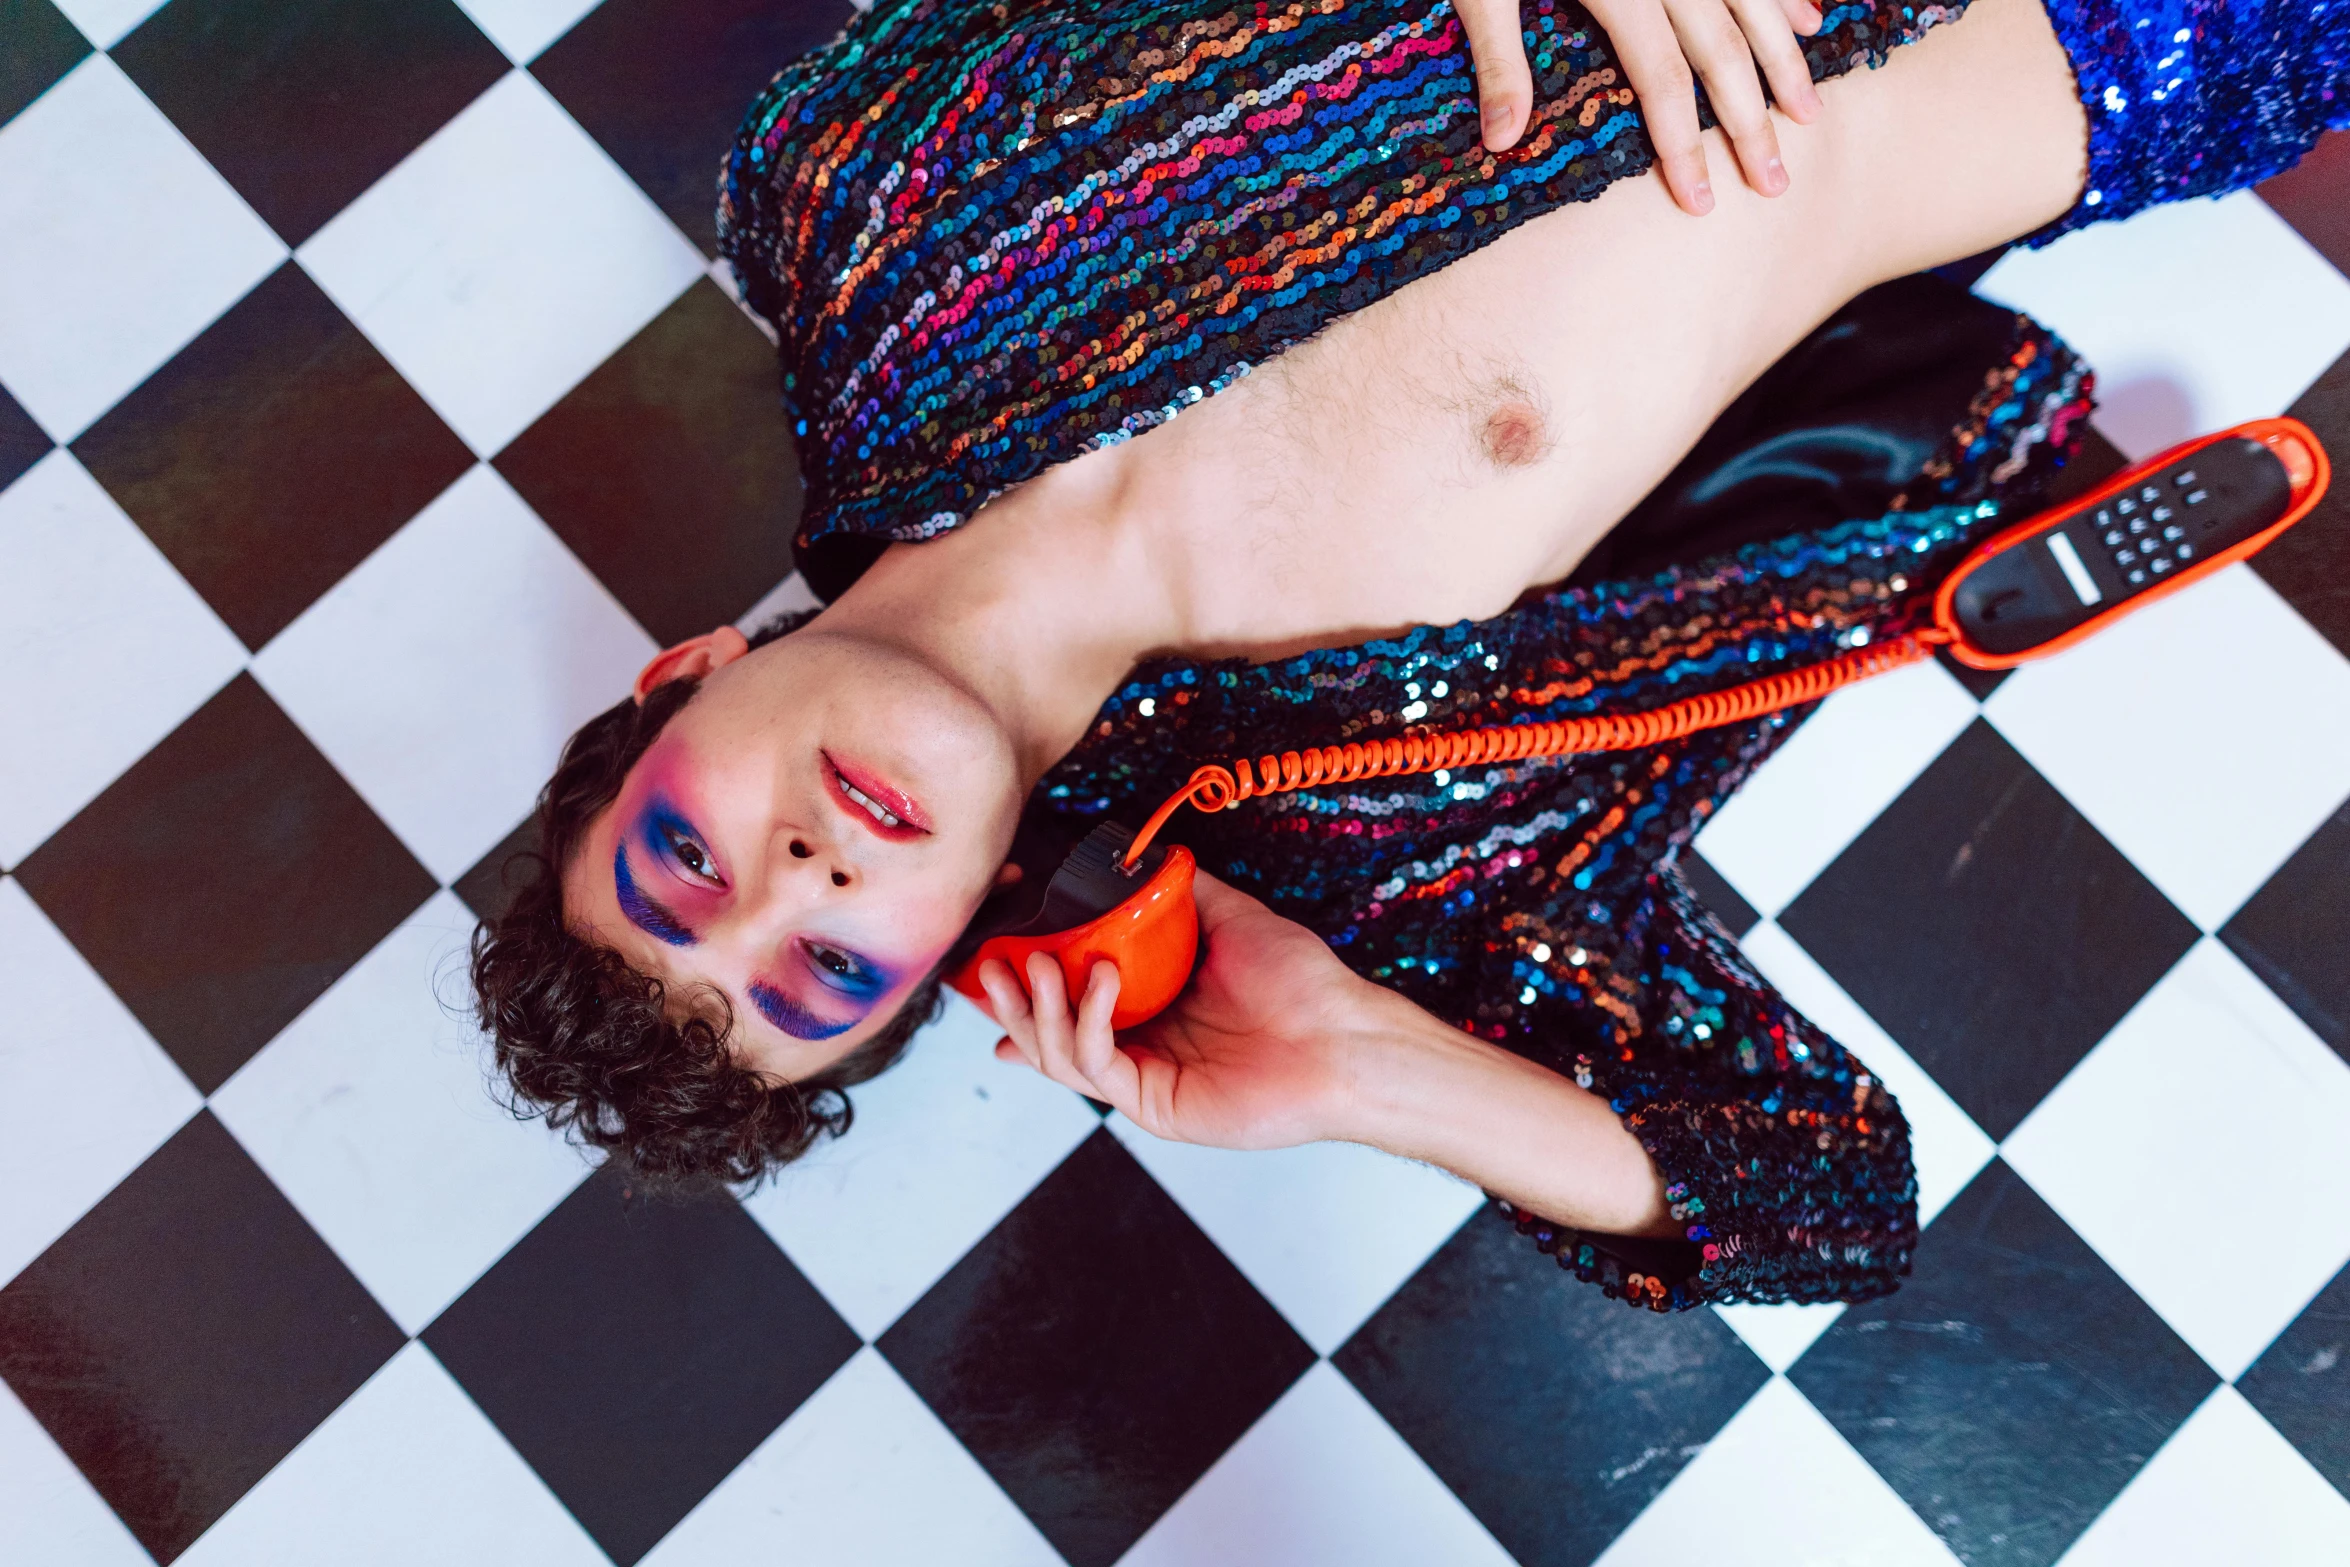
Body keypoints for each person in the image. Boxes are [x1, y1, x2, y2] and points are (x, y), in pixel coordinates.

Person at [470, 0, 2346, 1310]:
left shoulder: (850, 211)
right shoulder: (1353, 821)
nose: (797, 878)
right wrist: (1361, 1066)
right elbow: (1819, 1192)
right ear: (931, 972)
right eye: (814, 971)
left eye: (686, 861)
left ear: (679, 679)